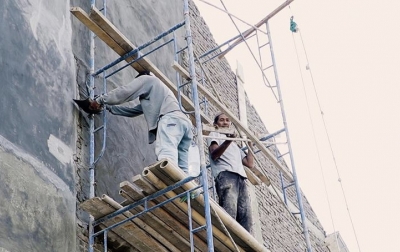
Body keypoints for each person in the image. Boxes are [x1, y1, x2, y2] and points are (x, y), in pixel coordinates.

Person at [86, 71, 193, 172]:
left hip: (171, 119)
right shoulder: (157, 94)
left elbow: (125, 92)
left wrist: (100, 100)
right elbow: (132, 111)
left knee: (167, 152)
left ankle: (168, 175)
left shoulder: (147, 79)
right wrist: (108, 107)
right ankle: (188, 189)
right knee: (182, 162)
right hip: (184, 124)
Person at [207, 112, 254, 233]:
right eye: (221, 120)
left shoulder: (234, 145)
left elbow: (249, 163)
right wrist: (228, 140)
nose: (225, 122)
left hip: (241, 178)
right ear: (215, 123)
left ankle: (245, 244)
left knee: (246, 217)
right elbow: (214, 155)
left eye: (227, 120)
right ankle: (227, 238)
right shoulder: (215, 134)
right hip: (226, 175)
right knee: (229, 211)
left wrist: (250, 146)